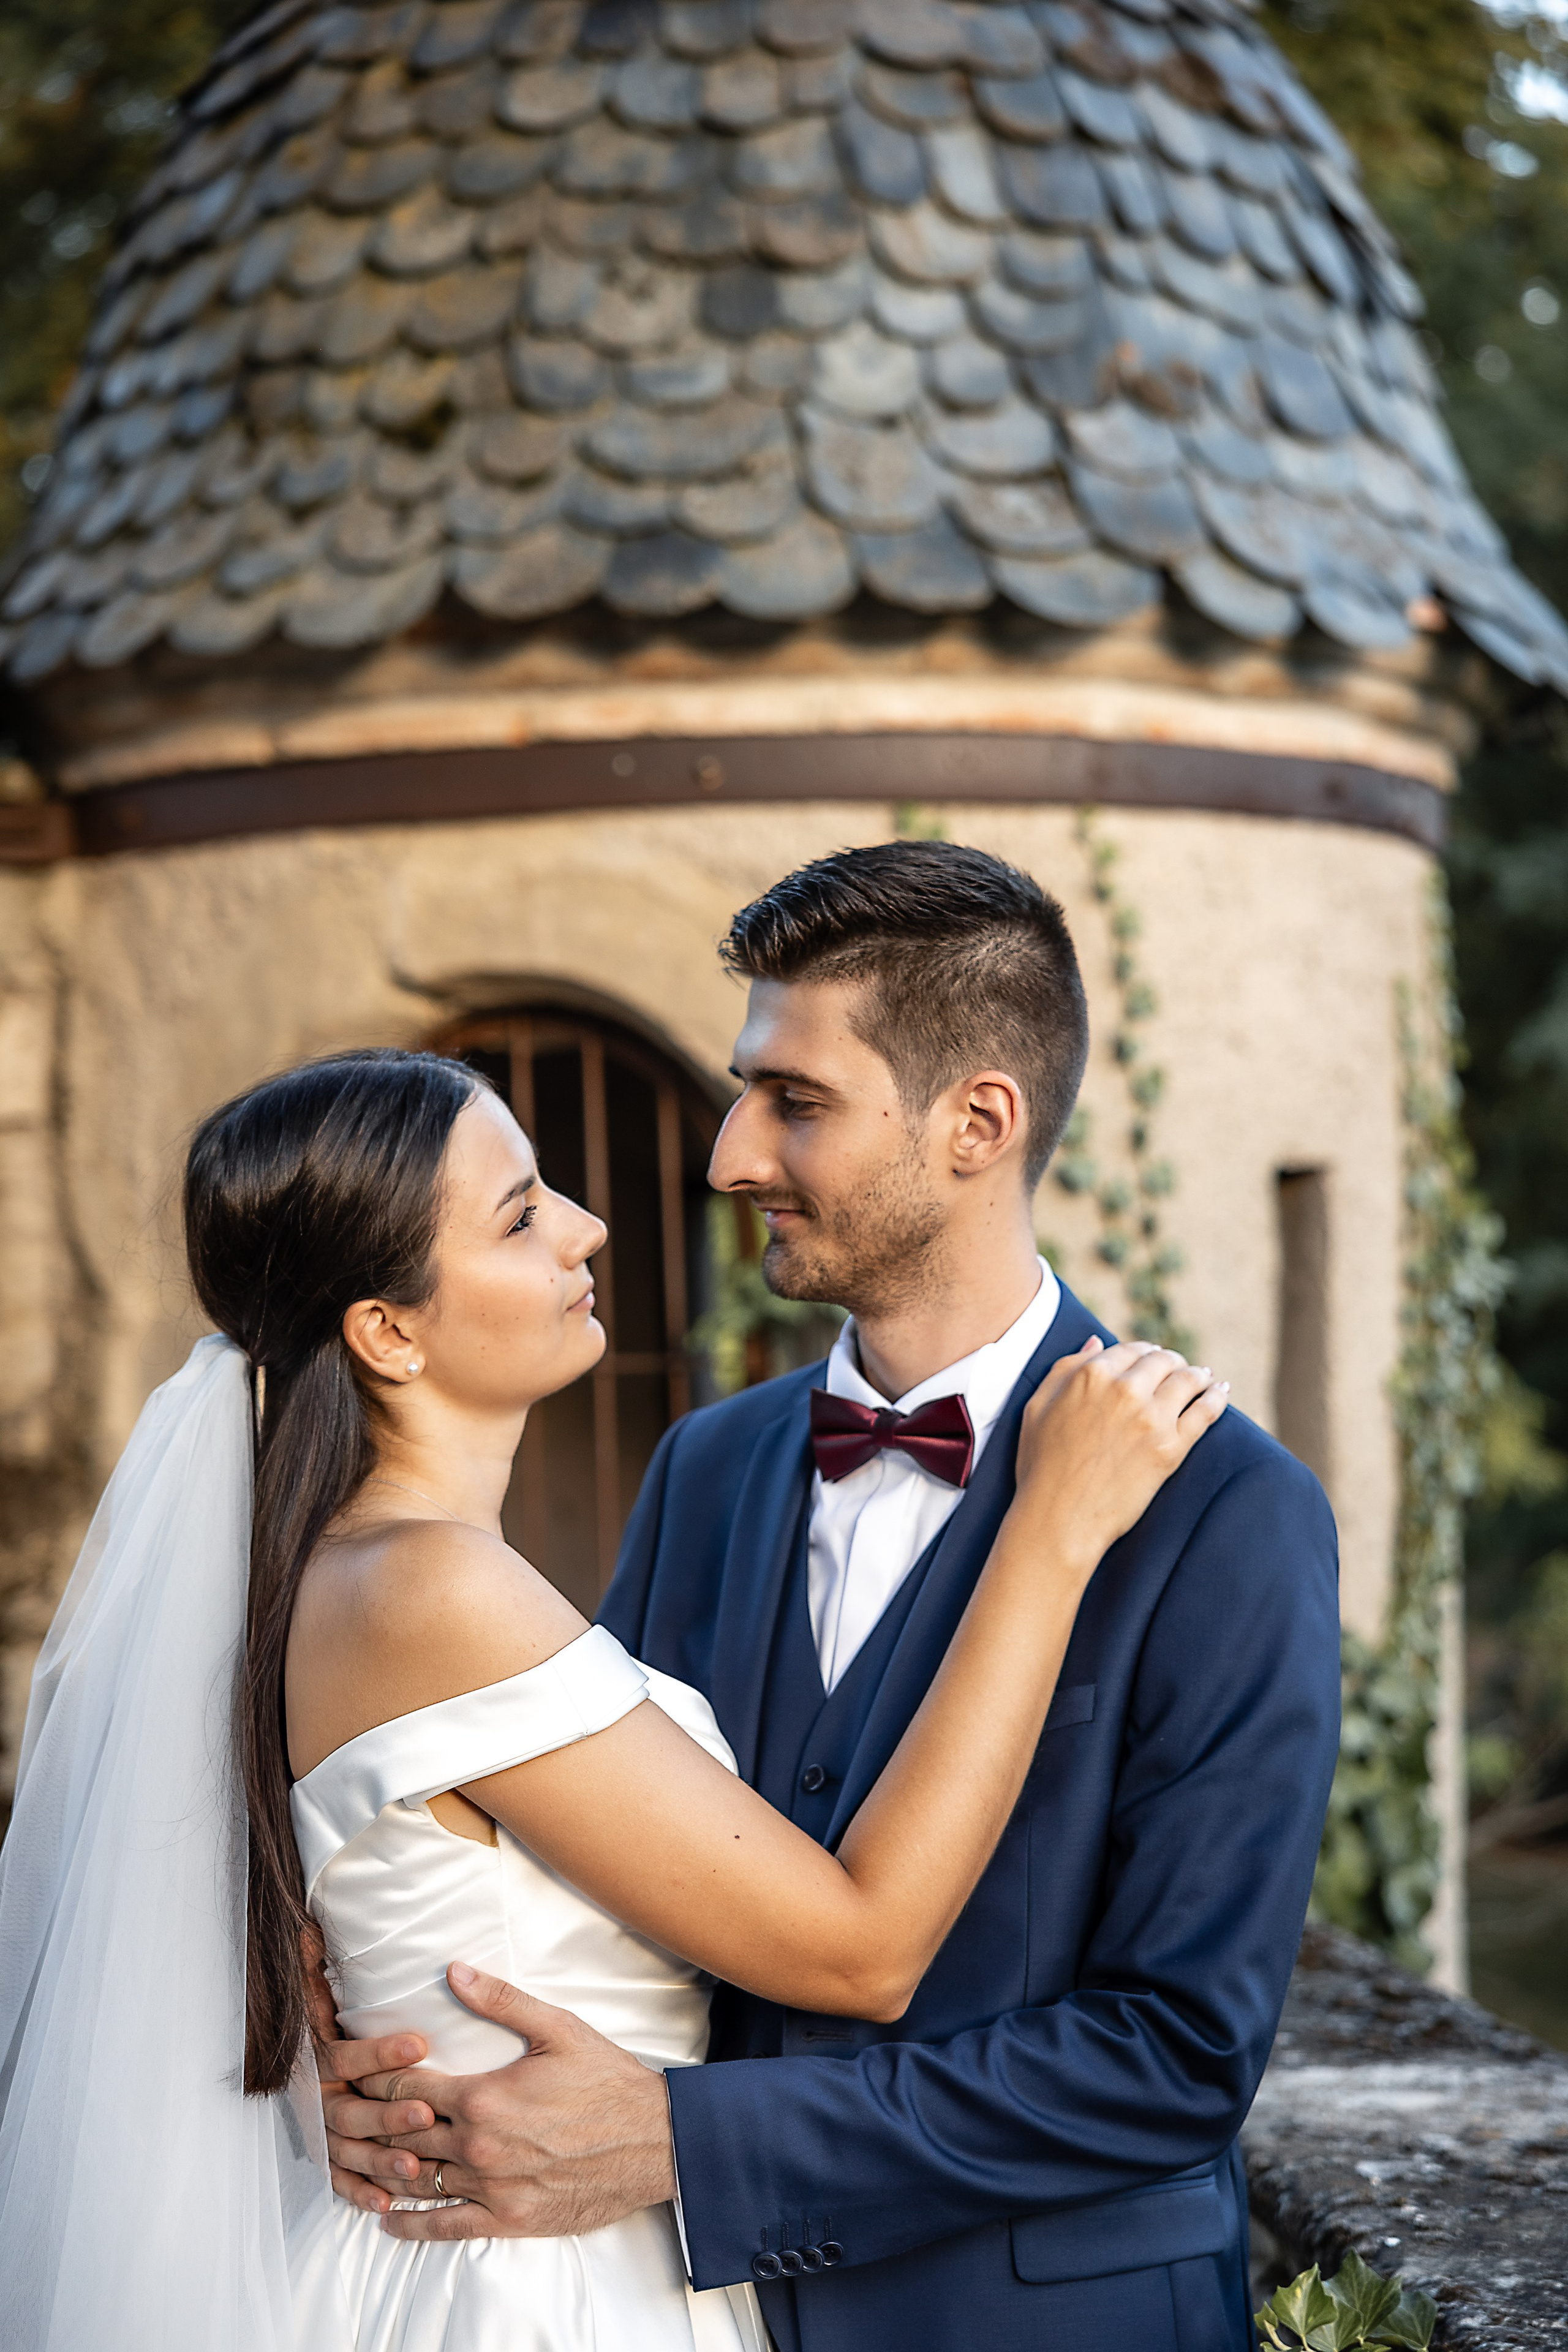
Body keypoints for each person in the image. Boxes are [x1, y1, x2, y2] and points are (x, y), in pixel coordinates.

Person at [0, 997, 1225, 2350]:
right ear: (387, 1333)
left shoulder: (350, 1574)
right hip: (537, 2290)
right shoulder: (430, 1591)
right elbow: (860, 1948)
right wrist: (1045, 1536)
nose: (586, 1226)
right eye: (520, 1216)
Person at [322, 842, 1343, 2352]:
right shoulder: (707, 1467)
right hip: (662, 2308)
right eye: (746, 1091)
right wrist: (366, 2051)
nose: (730, 1154)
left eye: (793, 1102)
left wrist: (692, 2141)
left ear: (975, 1123)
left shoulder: (1223, 1511)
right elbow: (597, 1878)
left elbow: (1174, 2054)